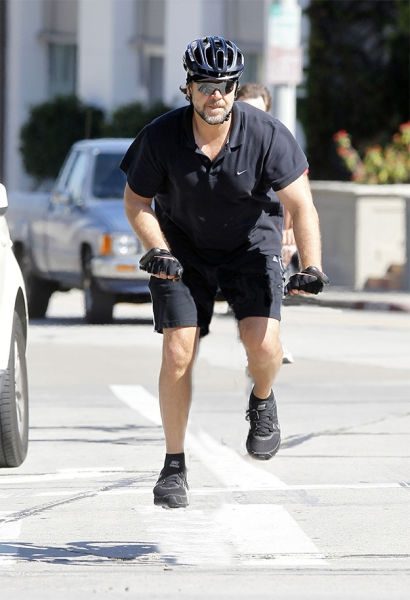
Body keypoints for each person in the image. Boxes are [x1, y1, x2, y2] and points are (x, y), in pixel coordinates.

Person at [121, 35, 329, 509]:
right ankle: (174, 465)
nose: (216, 95)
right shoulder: (161, 136)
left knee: (264, 345)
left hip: (250, 245)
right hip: (181, 249)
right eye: (206, 86)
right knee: (178, 351)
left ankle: (262, 398)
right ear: (188, 88)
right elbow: (136, 201)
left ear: (236, 88)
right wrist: (157, 249)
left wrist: (312, 265)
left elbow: (302, 205)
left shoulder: (267, 133)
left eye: (226, 86)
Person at [237, 82, 298, 364]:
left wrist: (290, 232)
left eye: (260, 112)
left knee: (267, 288)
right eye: (246, 110)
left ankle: (267, 349)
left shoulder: (277, 142)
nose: (254, 118)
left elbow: (297, 195)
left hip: (266, 232)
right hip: (229, 233)